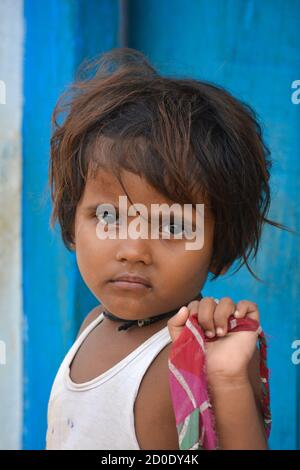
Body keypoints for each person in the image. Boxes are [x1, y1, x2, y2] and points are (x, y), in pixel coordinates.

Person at [45, 47, 289, 450]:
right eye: (108, 217)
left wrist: (228, 380)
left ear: (221, 245)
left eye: (173, 226)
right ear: (72, 220)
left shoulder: (202, 358)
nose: (133, 250)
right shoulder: (93, 324)